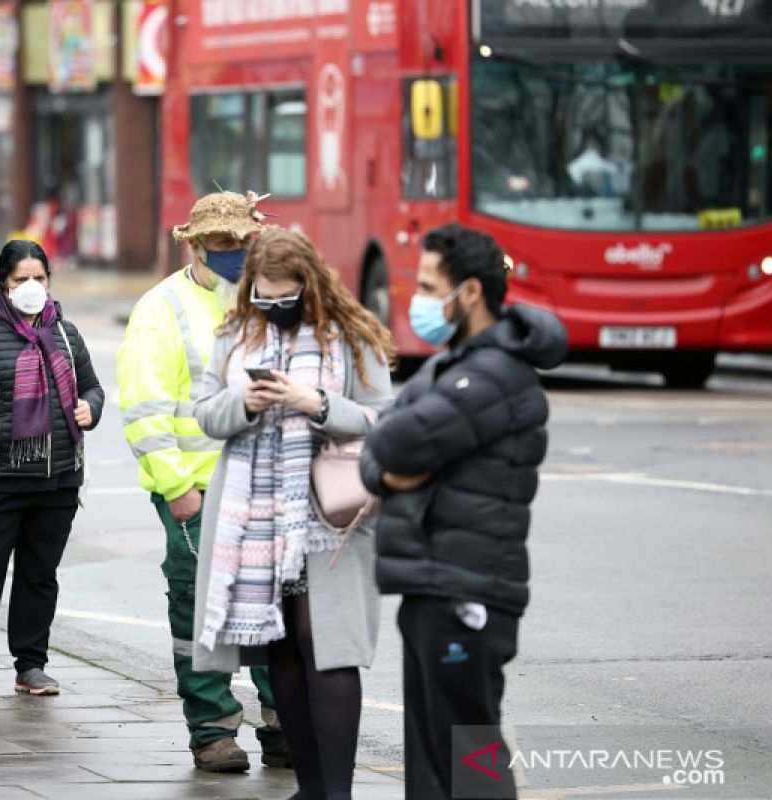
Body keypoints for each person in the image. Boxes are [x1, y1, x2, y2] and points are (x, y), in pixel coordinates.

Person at [359, 224, 568, 799]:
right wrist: (387, 464)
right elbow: (381, 452)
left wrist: (388, 461)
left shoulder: (494, 374)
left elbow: (393, 445)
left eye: (430, 286)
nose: (419, 299)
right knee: (430, 762)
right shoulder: (455, 365)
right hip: (434, 582)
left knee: (469, 760)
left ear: (470, 292)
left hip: (467, 590)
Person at [193, 229, 395, 800]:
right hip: (255, 519)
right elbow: (206, 411)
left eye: (286, 297)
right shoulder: (235, 332)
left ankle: (337, 792)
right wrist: (246, 403)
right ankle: (309, 789)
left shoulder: (350, 335)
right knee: (278, 647)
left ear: (310, 285)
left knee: (326, 648)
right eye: (264, 294)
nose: (273, 307)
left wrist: (319, 405)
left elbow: (386, 418)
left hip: (329, 517)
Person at [117, 191, 290, 773]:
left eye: (244, 240)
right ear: (194, 244)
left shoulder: (269, 300)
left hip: (265, 484)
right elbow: (145, 409)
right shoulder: (161, 308)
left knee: (275, 606)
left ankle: (284, 721)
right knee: (198, 612)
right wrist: (177, 490)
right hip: (199, 490)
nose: (236, 252)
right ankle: (213, 730)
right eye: (222, 242)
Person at [0, 240, 104, 699]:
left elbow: (92, 388)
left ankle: (31, 665)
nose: (31, 287)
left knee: (39, 575)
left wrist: (91, 408)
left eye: (39, 278)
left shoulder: (66, 334)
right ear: (2, 283)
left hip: (57, 479)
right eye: (21, 280)